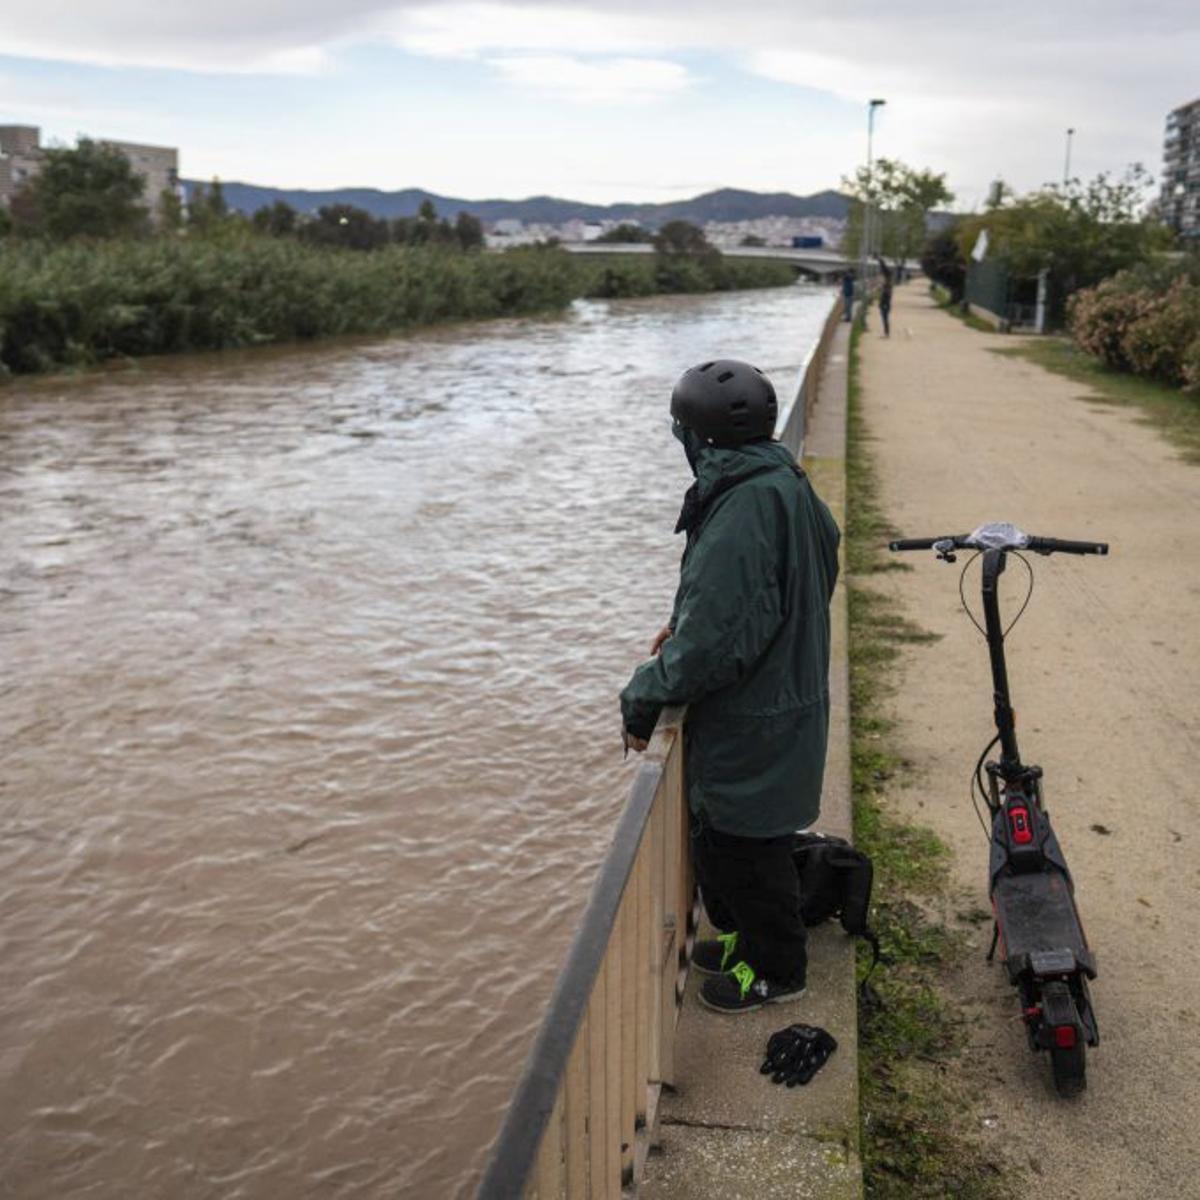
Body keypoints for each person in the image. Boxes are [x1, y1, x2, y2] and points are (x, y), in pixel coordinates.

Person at [620, 360, 841, 1014]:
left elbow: (712, 644)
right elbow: (812, 562)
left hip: (757, 718)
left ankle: (777, 970)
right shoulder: (781, 480)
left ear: (699, 439)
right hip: (783, 698)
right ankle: (746, 942)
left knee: (750, 852)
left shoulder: (744, 504)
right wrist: (690, 622)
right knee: (737, 844)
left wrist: (642, 697)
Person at [876, 256, 893, 338]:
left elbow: (885, 296)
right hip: (885, 304)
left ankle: (886, 334)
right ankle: (886, 333)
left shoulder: (887, 286)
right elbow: (884, 269)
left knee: (885, 319)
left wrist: (880, 261)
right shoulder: (887, 285)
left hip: (885, 305)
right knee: (884, 319)